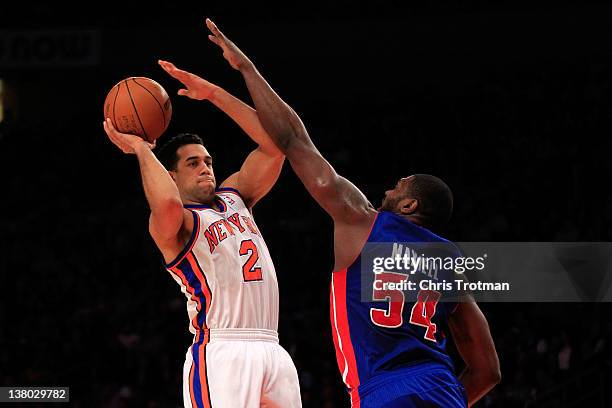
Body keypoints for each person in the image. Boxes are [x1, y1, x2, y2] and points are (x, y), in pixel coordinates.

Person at [202, 18, 501, 407]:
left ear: (410, 205)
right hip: (442, 388)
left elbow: (293, 139)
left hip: (382, 389)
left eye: (400, 185)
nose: (389, 188)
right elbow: (488, 371)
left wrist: (247, 68)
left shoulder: (364, 221)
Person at [102, 62, 301, 408]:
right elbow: (165, 202)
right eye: (193, 163)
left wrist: (214, 94)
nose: (206, 168)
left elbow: (274, 145)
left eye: (208, 161)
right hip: (222, 351)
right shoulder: (178, 224)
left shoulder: (235, 197)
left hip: (273, 346)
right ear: (172, 175)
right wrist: (142, 149)